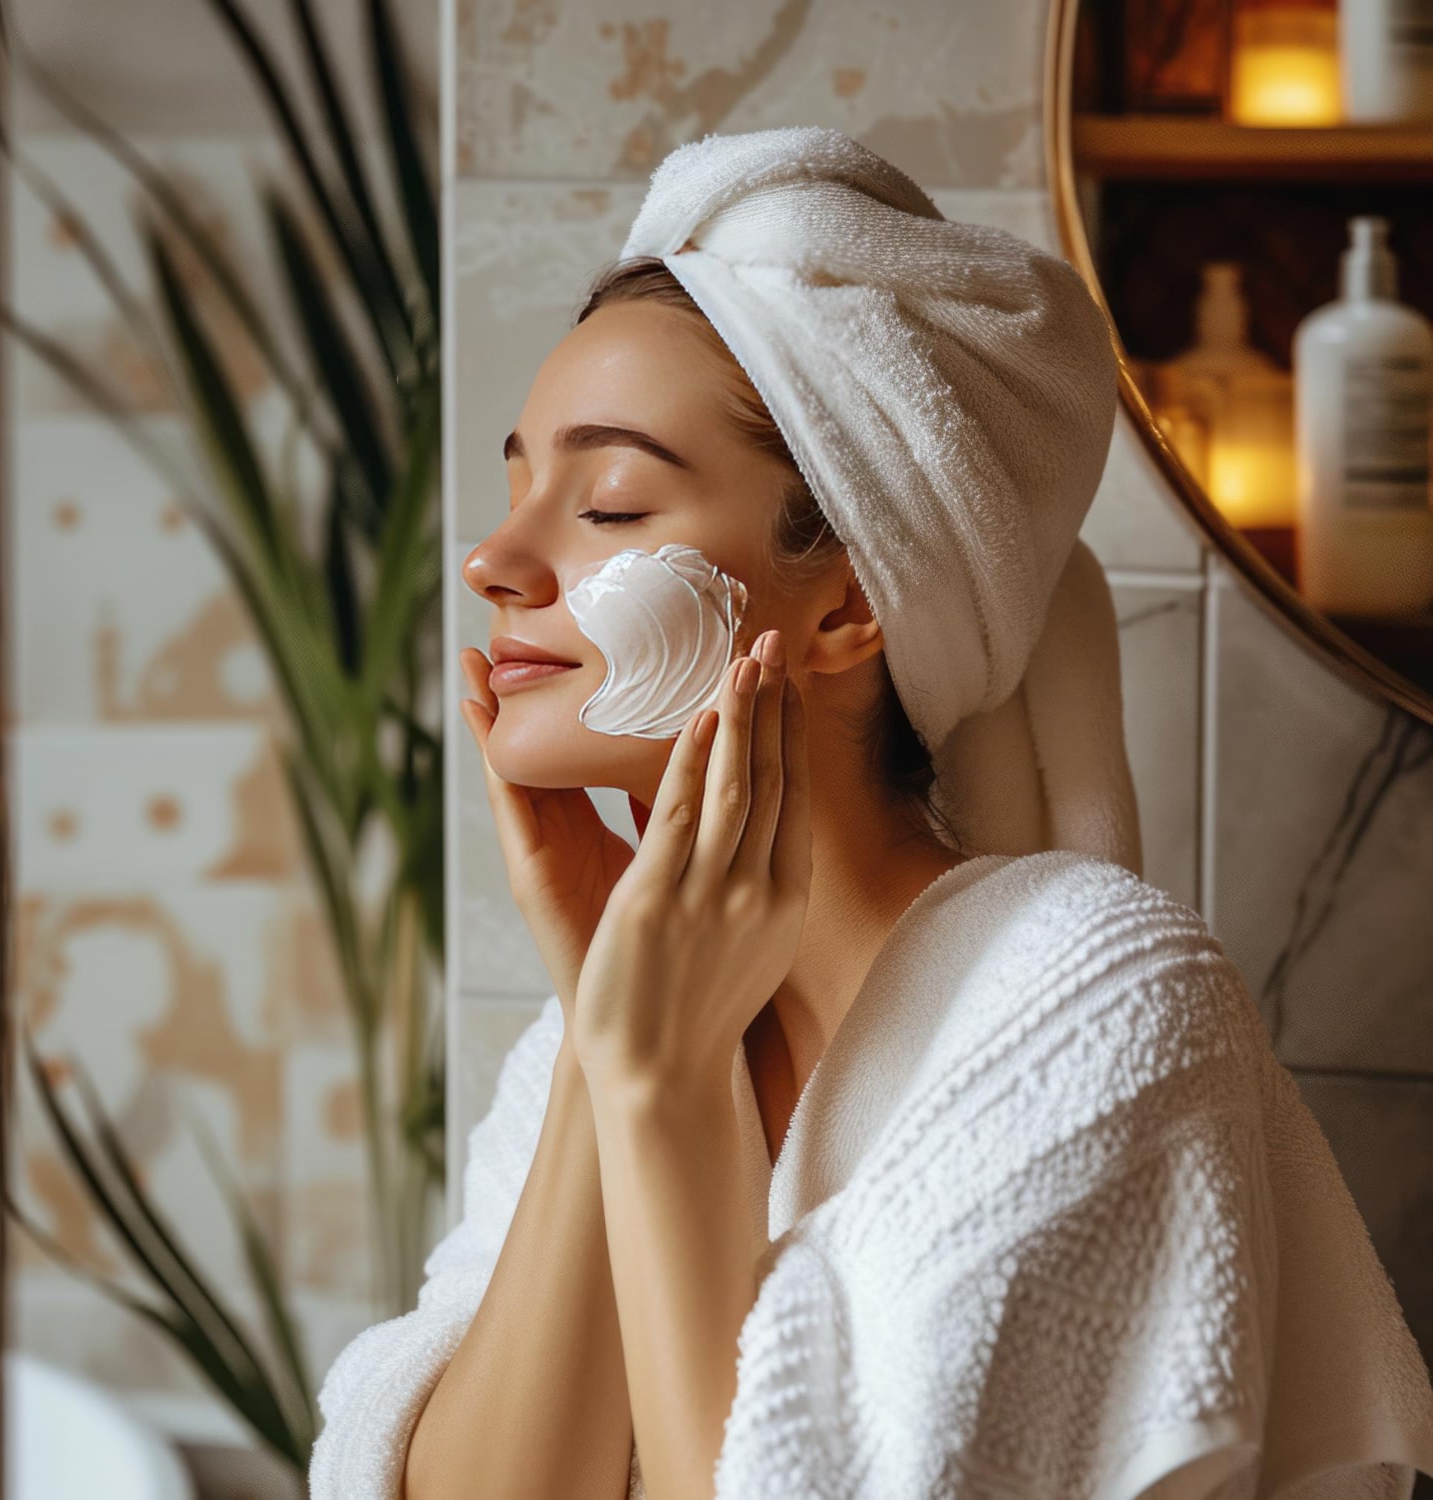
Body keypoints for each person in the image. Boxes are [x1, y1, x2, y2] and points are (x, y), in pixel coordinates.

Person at [308, 127, 1433, 1500]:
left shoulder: (1093, 1002)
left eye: (605, 502)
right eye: (515, 484)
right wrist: (615, 1039)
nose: (493, 559)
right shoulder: (590, 1031)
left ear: (848, 600)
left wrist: (664, 1091)